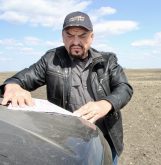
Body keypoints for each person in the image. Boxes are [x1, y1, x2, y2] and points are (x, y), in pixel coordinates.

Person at [0, 11, 133, 164]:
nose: (75, 41)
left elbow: (124, 88)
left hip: (106, 139)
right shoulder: (51, 59)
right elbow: (22, 78)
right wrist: (13, 85)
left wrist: (106, 104)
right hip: (68, 142)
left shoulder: (107, 60)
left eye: (82, 35)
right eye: (70, 35)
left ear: (91, 37)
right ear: (62, 36)